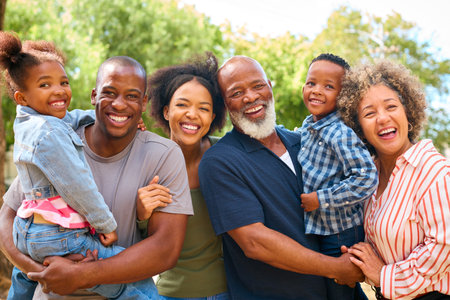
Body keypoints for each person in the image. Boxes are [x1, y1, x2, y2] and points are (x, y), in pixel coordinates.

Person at [0, 54, 192, 298]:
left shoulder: (163, 154)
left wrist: (81, 276)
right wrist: (39, 272)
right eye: (109, 93)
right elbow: (6, 217)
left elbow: (165, 250)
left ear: (144, 103)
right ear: (94, 96)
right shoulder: (59, 141)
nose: (120, 104)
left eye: (132, 96)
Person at [198, 55, 364, 300]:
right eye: (236, 93)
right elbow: (255, 242)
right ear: (223, 104)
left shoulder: (305, 143)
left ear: (270, 87)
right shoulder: (220, 161)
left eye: (258, 86)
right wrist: (337, 268)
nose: (251, 97)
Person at [337, 60, 450, 299]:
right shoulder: (367, 179)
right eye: (369, 113)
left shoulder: (435, 171)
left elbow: (444, 248)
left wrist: (385, 275)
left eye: (391, 107)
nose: (382, 118)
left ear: (408, 112)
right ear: (359, 128)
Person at [139, 51, 228, 299]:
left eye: (203, 108)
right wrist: (140, 214)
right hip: (168, 293)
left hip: (225, 292)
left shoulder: (227, 156)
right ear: (166, 111)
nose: (192, 114)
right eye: (182, 104)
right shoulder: (146, 161)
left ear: (213, 117)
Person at [297, 53, 378, 299]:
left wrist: (321, 199)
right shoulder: (309, 125)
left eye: (328, 86)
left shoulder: (340, 132)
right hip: (323, 228)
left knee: (340, 288)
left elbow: (366, 177)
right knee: (340, 290)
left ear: (343, 96)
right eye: (311, 83)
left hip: (341, 232)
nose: (317, 91)